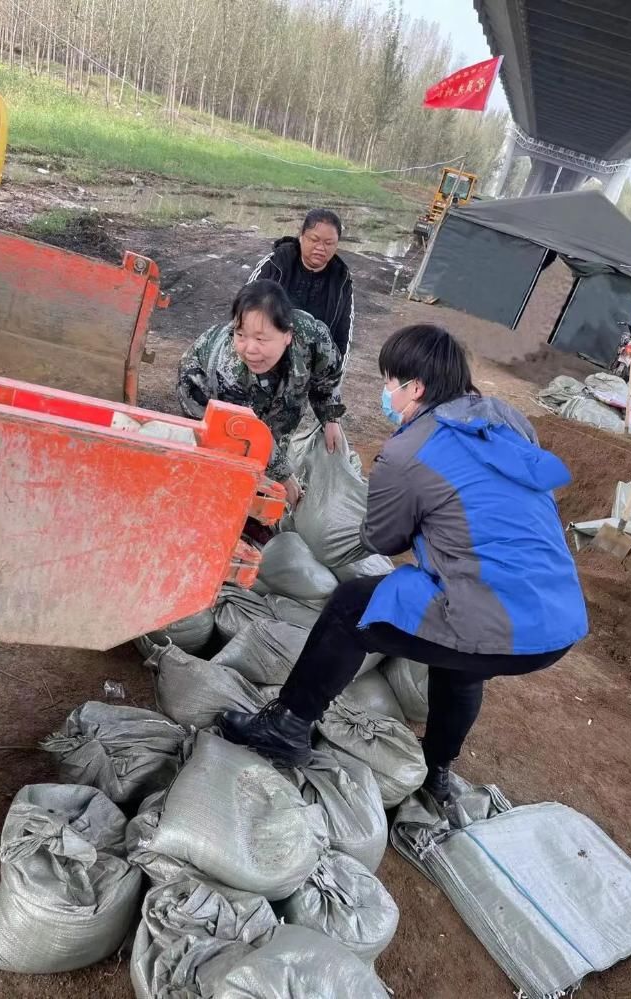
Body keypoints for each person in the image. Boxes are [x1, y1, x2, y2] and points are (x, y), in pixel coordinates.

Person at [219, 323, 589, 802]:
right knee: (461, 660)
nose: (385, 392)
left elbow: (384, 539)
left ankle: (287, 726)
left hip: (494, 611)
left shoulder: (407, 449)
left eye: (389, 381)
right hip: (553, 623)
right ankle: (437, 771)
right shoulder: (508, 419)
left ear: (415, 387)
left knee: (352, 605)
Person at [177, 279, 345, 509]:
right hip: (202, 391)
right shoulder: (228, 371)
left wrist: (330, 418)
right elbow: (246, 431)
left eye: (260, 339)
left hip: (265, 394)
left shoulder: (313, 336)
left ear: (287, 335)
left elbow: (328, 377)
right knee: (225, 460)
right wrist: (285, 476)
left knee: (279, 425)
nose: (249, 348)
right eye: (240, 335)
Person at [248, 208, 354, 373]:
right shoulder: (276, 264)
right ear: (301, 237)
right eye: (314, 239)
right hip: (265, 362)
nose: (321, 248)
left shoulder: (341, 281)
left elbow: (343, 335)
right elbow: (244, 311)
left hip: (310, 371)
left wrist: (334, 376)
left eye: (329, 243)